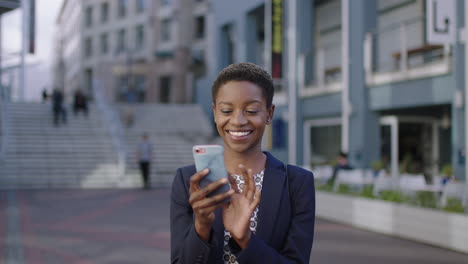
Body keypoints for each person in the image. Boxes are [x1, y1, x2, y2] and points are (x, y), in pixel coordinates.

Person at [170, 63, 315, 263]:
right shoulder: (188, 181)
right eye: (227, 111)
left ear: (269, 113)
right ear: (215, 113)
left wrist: (245, 239)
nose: (238, 121)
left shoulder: (297, 183)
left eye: (252, 111)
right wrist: (201, 227)